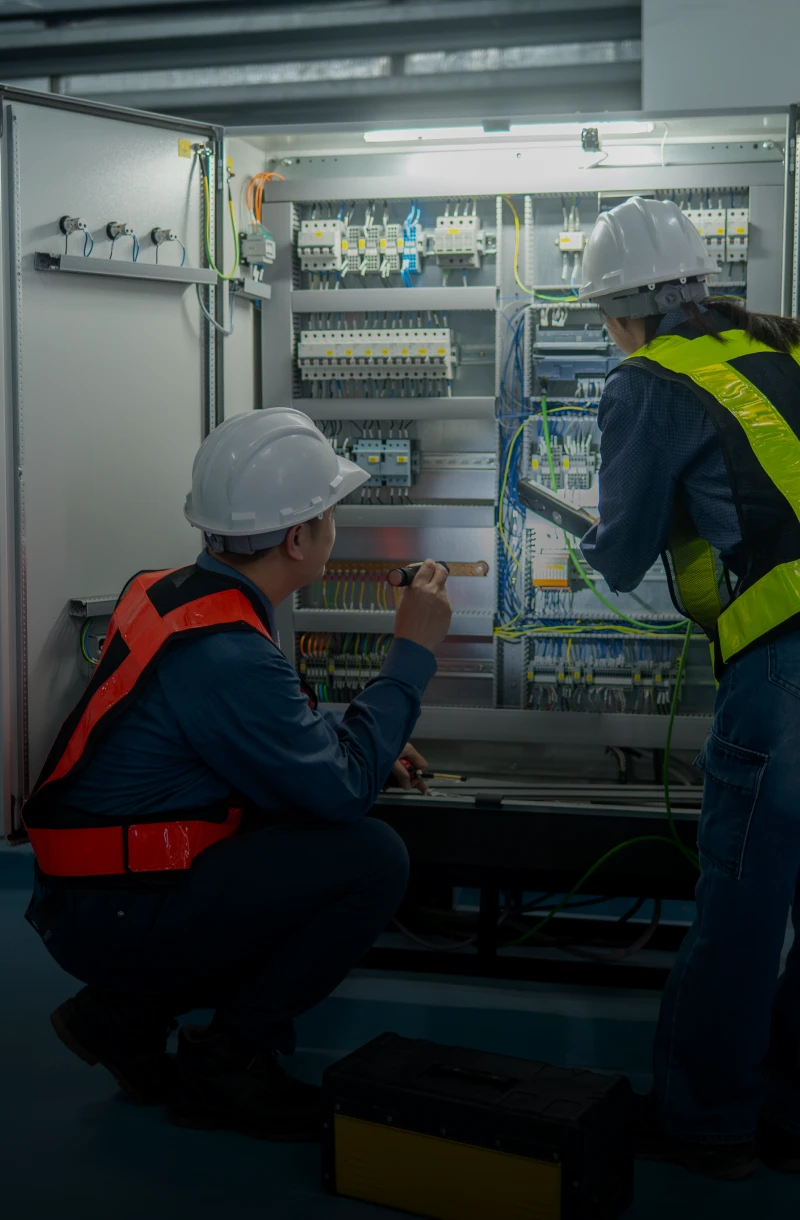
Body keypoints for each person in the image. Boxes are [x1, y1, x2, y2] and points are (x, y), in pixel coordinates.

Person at [22, 407, 452, 1141]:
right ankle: (227, 1063)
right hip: (112, 912)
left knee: (297, 821)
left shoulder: (174, 591)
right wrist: (411, 655)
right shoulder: (226, 652)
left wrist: (359, 738)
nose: (334, 526)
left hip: (87, 894)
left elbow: (260, 728)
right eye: (329, 513)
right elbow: (342, 790)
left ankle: (123, 1016)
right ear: (297, 539)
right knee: (371, 858)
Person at [577, 195, 800, 1181]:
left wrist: (588, 537)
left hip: (784, 663)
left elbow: (623, 551)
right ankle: (787, 1118)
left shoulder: (647, 379)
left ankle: (706, 1122)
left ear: (615, 313)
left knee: (743, 901)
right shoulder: (779, 348)